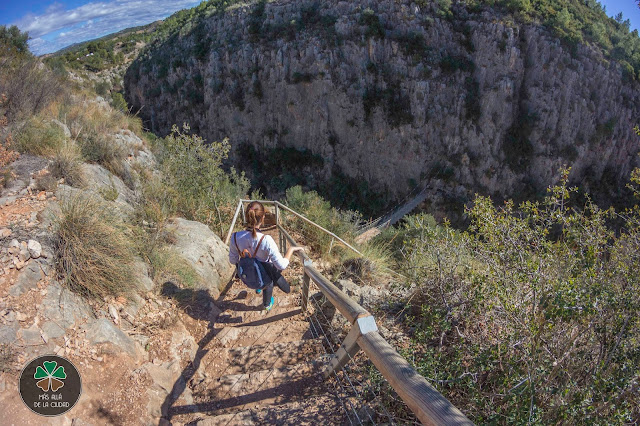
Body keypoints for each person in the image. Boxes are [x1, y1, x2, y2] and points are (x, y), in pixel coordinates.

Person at [229, 201, 304, 311]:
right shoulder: (266, 240)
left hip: (247, 275)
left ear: (246, 216)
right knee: (269, 282)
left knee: (258, 271)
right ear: (263, 217)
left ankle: (259, 288)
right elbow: (281, 265)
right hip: (264, 274)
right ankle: (266, 304)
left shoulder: (235, 237)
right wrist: (291, 250)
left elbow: (233, 260)